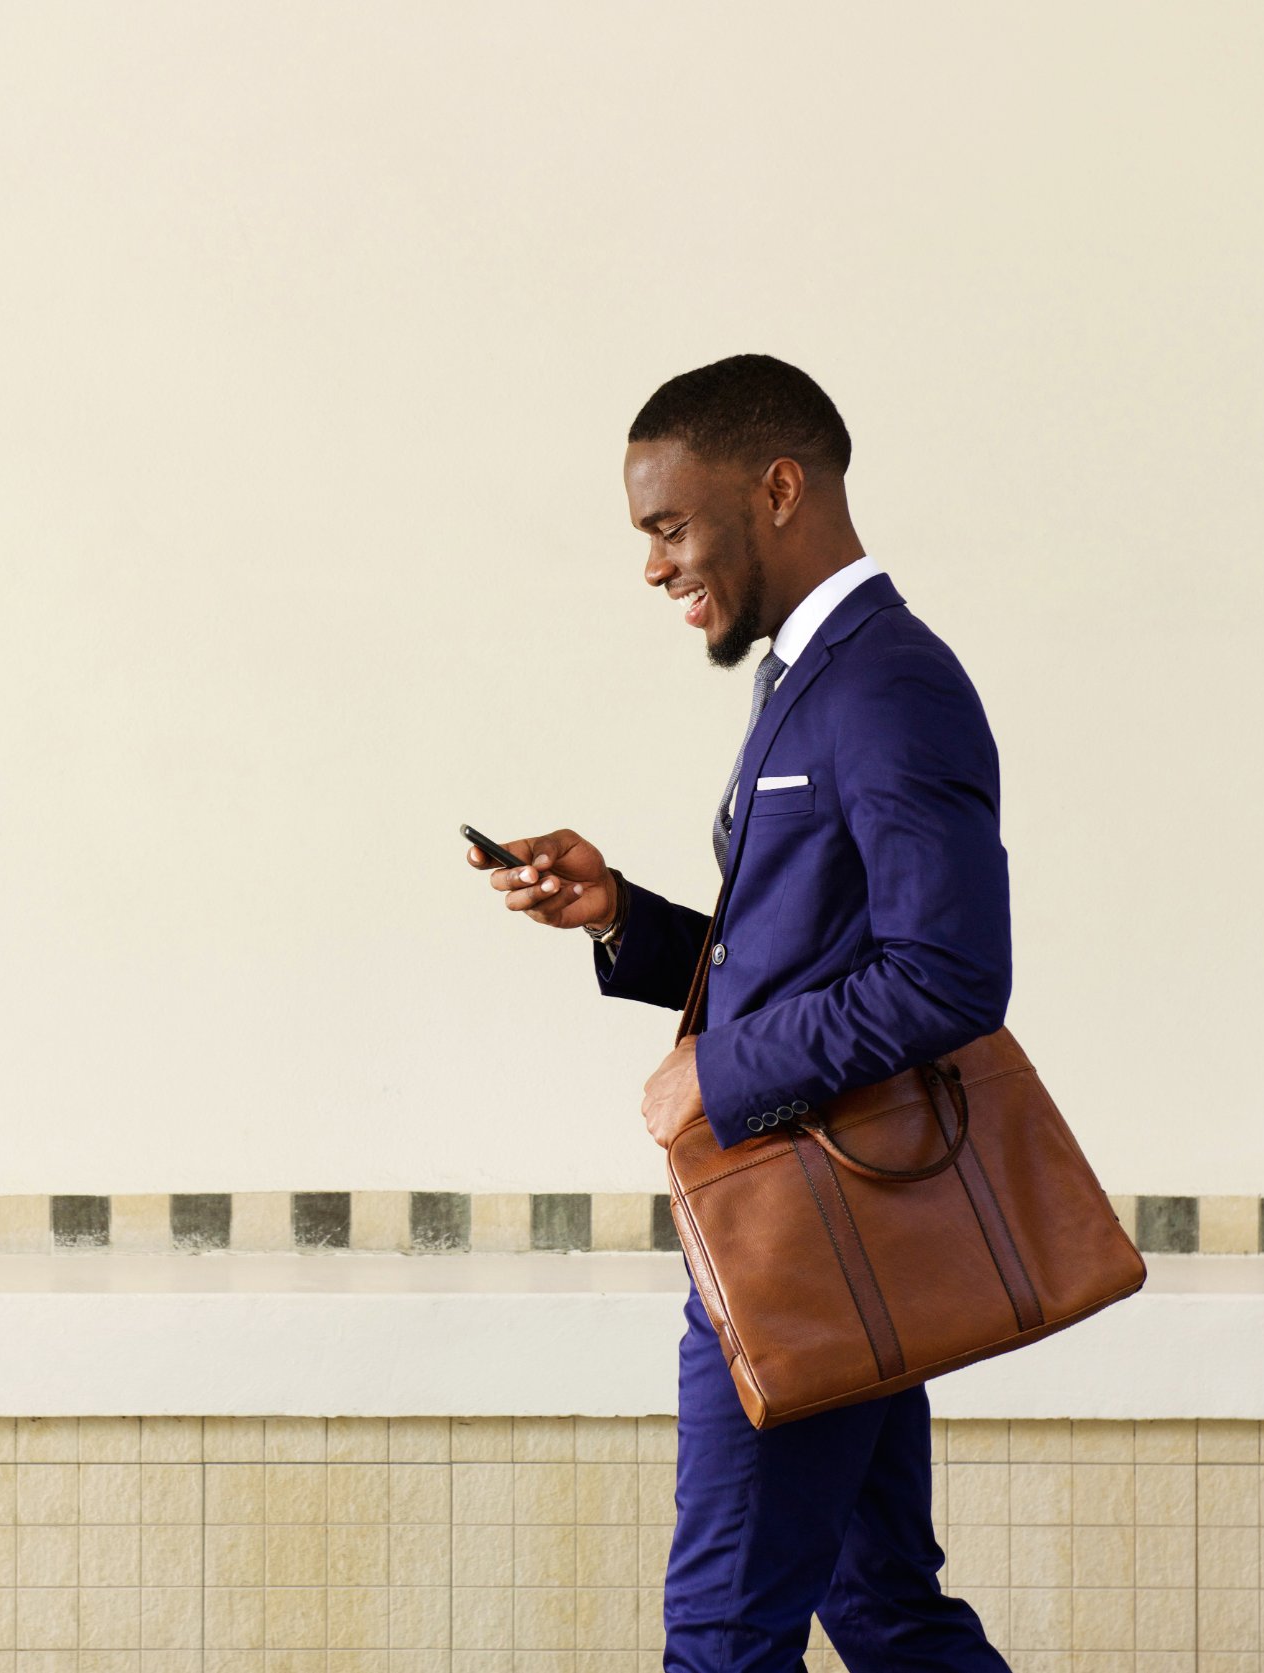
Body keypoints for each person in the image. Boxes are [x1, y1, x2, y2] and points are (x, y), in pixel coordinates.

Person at [466, 353, 1014, 1672]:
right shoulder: (807, 677)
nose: (654, 566)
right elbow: (806, 955)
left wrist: (717, 1072)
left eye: (669, 525)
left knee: (722, 1641)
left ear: (777, 489)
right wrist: (618, 917)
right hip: (825, 1228)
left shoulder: (887, 684)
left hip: (804, 1247)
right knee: (886, 1611)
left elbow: (949, 973)